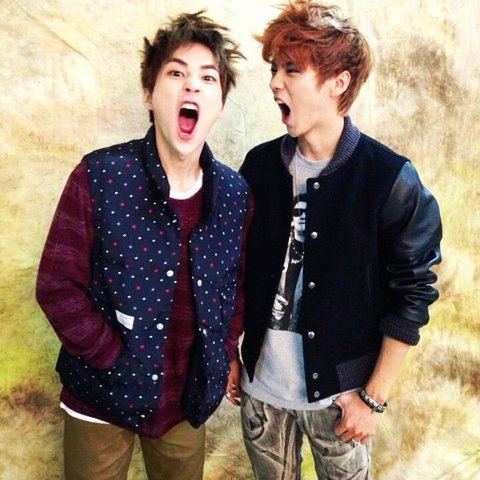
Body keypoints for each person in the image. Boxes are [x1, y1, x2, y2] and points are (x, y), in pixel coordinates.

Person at [36, 11, 250, 480]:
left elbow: (235, 289)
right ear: (149, 94)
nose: (192, 86)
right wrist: (112, 358)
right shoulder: (99, 176)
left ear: (220, 103)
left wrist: (223, 354)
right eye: (176, 73)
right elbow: (56, 286)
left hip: (185, 402)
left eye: (208, 78)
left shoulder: (235, 195)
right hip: (100, 396)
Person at [238, 1, 442, 478]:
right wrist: (232, 356)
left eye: (291, 69)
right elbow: (234, 271)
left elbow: (414, 293)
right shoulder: (258, 167)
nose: (275, 83)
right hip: (261, 395)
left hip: (341, 402)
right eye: (273, 69)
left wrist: (373, 398)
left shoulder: (389, 178)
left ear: (338, 81)